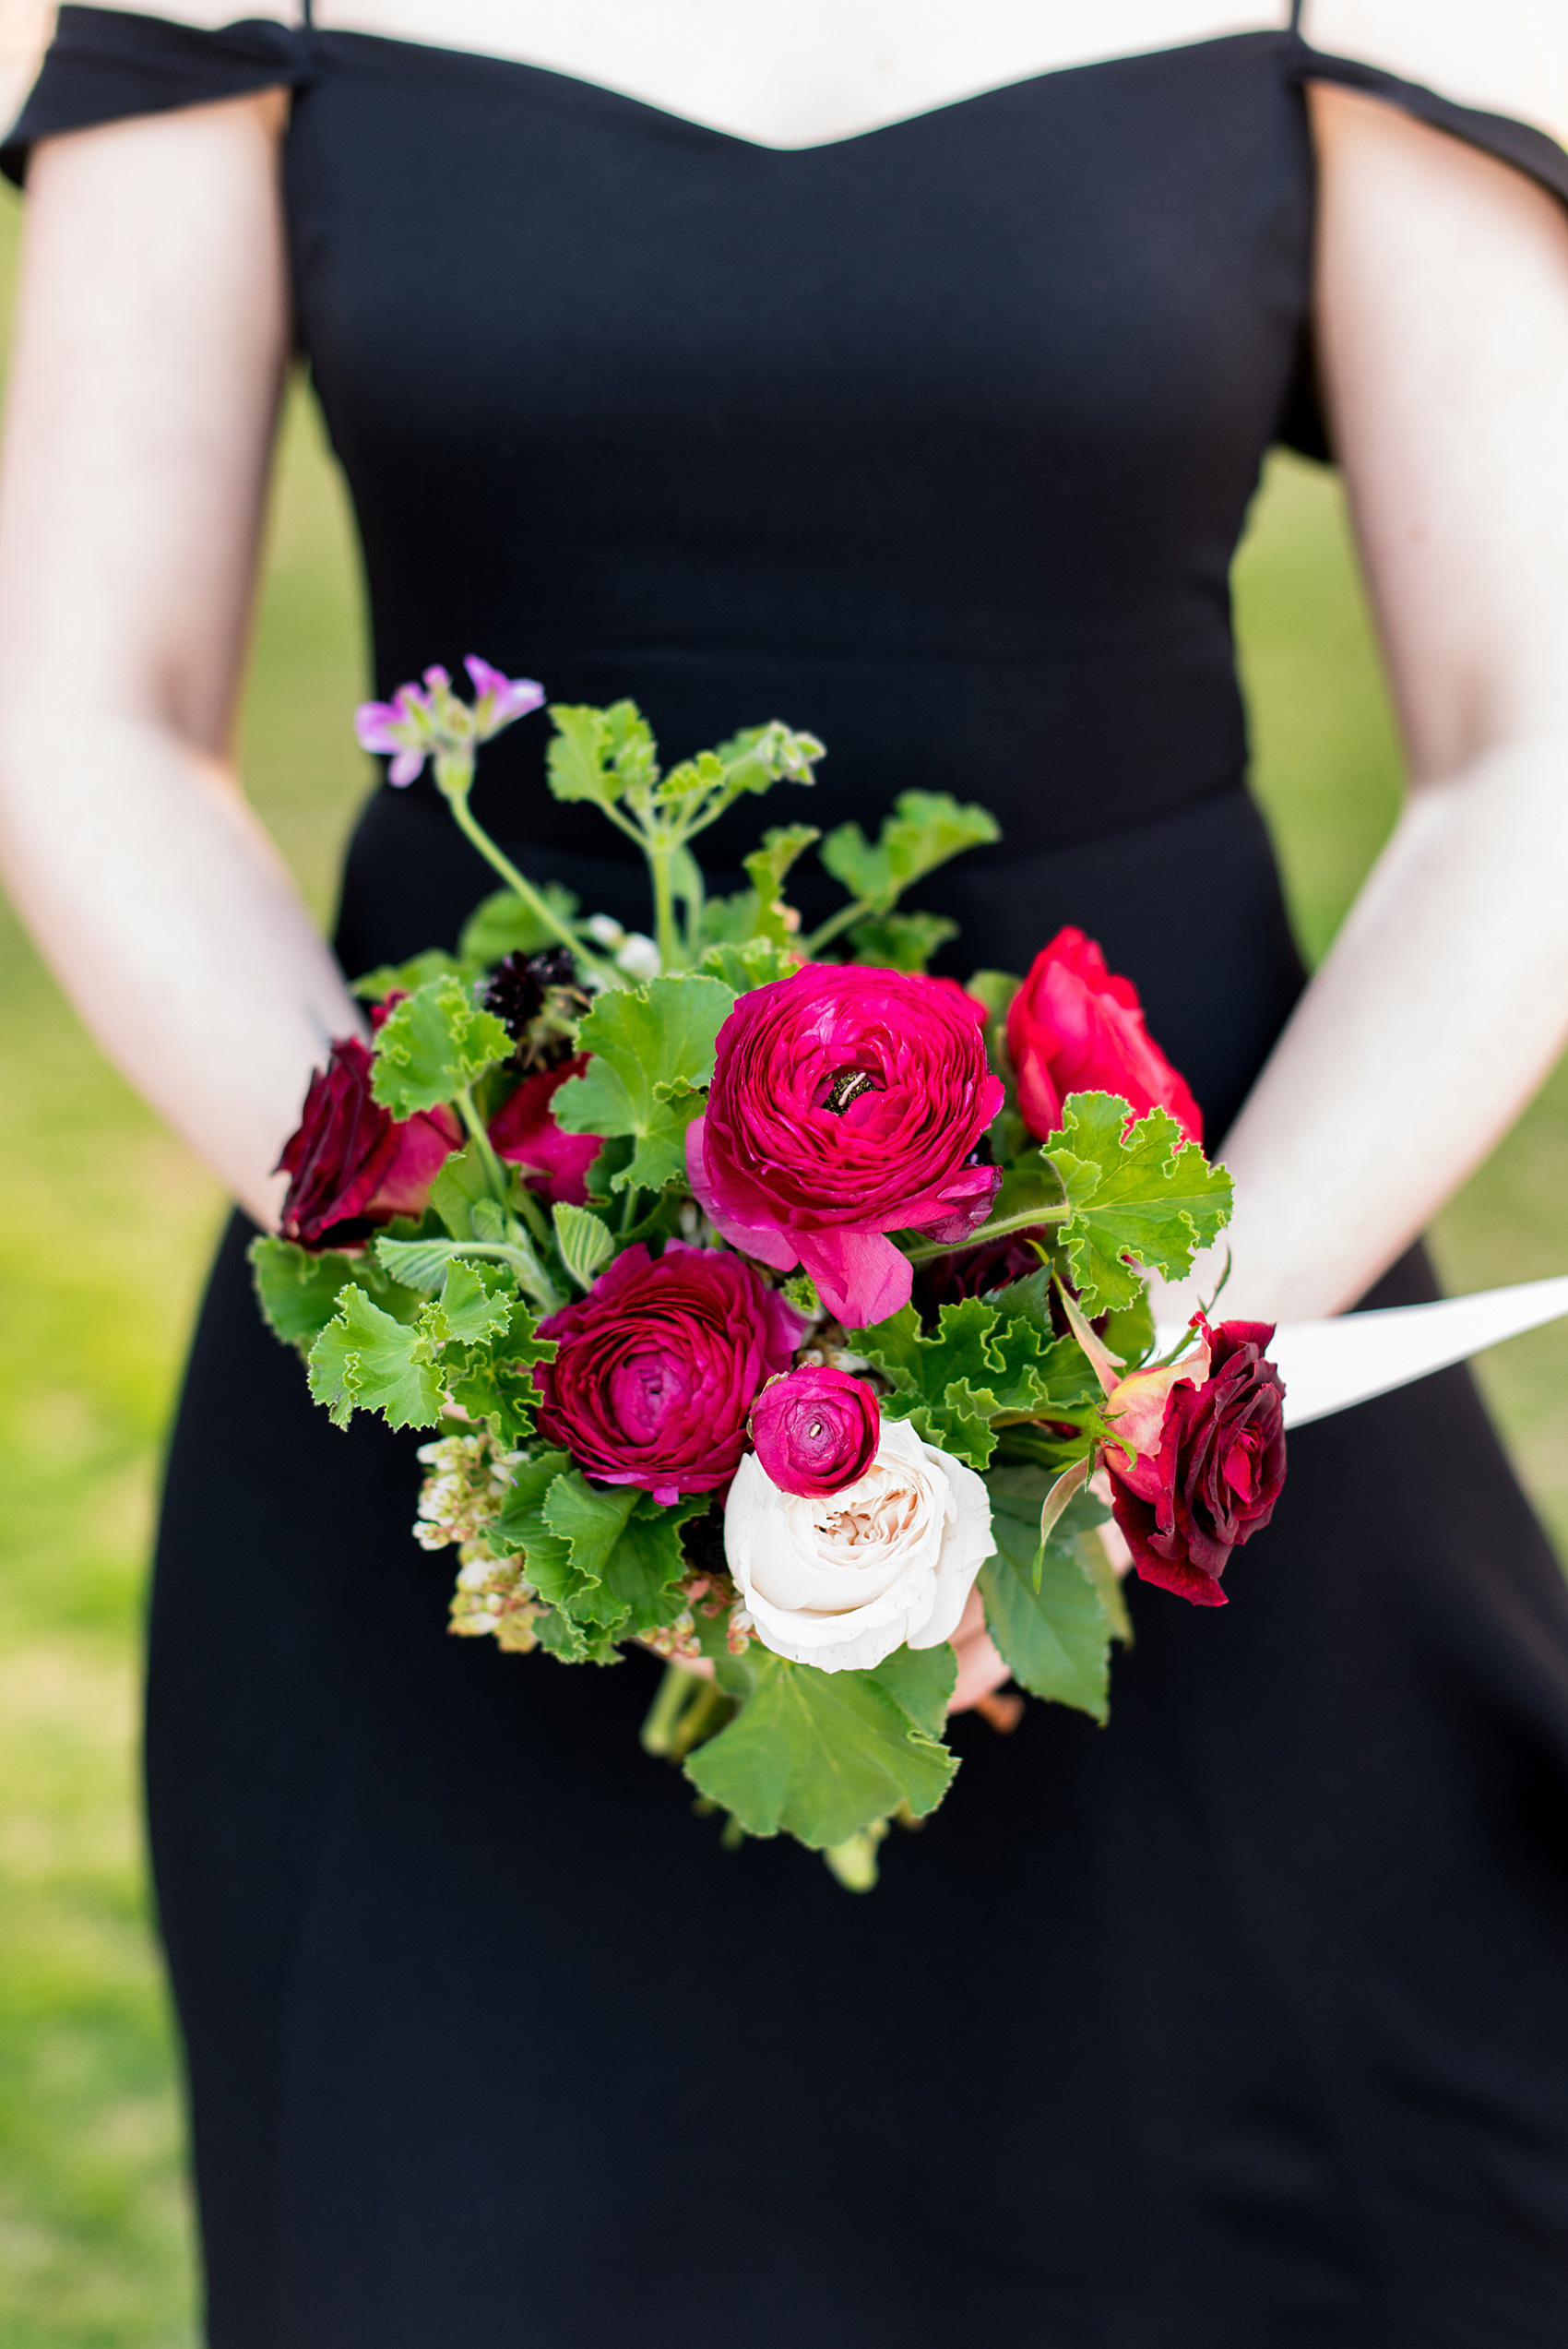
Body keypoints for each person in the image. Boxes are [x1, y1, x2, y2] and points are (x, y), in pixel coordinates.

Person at [2, 1, 1567, 2340]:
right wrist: (532, 1331)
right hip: (479, 1463)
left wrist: (1133, 1380)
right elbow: (87, 712)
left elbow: (1525, 749)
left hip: (1213, 1354)